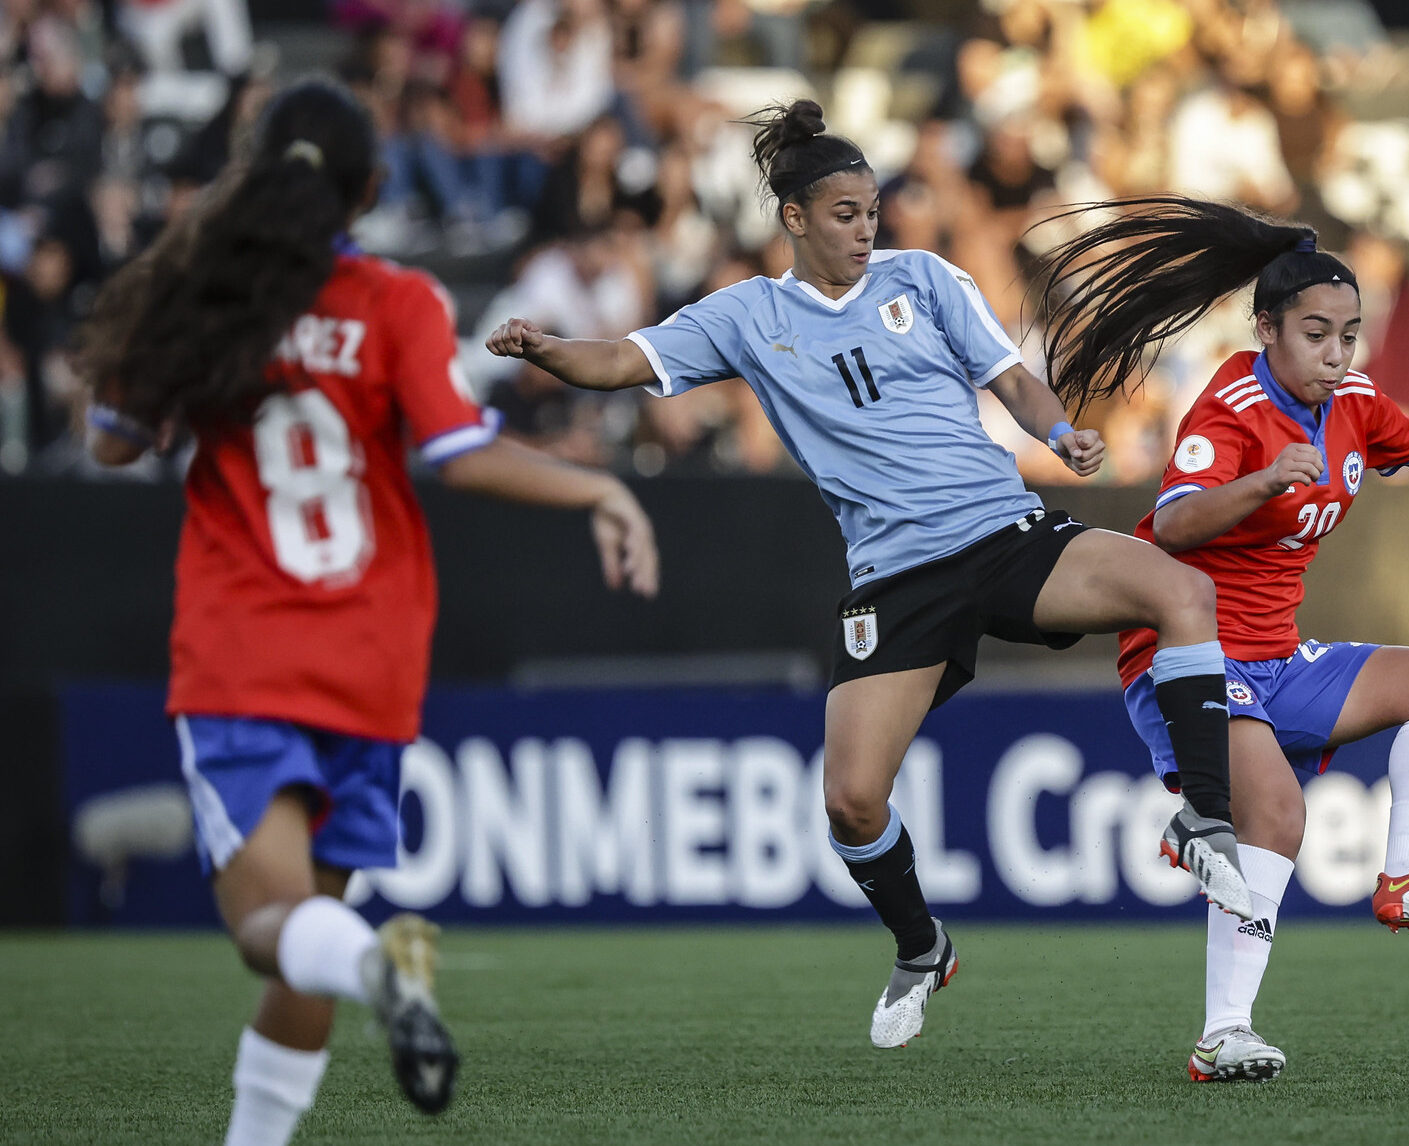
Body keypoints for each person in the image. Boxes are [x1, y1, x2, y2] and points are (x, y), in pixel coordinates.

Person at [484, 100, 1252, 1050]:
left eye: (870, 210)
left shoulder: (926, 280)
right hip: (895, 577)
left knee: (1181, 591)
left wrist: (1058, 430)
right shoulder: (747, 316)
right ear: (795, 219)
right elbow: (620, 361)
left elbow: (1009, 378)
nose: (864, 228)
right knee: (850, 798)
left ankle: (1206, 822)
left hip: (1003, 534)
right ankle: (923, 945)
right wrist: (548, 350)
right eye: (844, 213)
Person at [77, 80, 660, 1145]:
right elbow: (457, 454)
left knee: (272, 930)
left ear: (251, 177)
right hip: (372, 659)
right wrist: (601, 488)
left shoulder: (207, 293)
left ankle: (376, 962)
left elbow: (111, 440)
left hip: (243, 655)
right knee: (309, 924)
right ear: (372, 189)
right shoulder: (397, 301)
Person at [1029, 196, 1409, 1083]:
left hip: (1277, 655)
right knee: (1277, 811)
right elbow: (1178, 526)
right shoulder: (1230, 404)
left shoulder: (1352, 399)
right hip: (1188, 659)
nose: (1337, 354)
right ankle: (1223, 1032)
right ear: (1267, 328)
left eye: (1349, 335)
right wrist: (1265, 481)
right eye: (1317, 334)